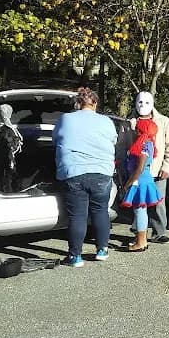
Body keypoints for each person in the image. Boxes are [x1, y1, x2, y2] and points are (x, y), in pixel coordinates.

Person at [54, 88, 117, 267]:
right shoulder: (106, 121)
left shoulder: (65, 119)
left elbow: (56, 140)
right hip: (102, 172)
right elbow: (113, 140)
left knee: (78, 216)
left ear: (78, 104)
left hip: (74, 172)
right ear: (95, 104)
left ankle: (75, 256)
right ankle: (102, 250)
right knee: (100, 211)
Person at [117, 92, 169, 244]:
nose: (142, 106)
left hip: (156, 169)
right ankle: (139, 233)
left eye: (146, 102)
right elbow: (121, 145)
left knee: (158, 202)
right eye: (139, 102)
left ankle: (159, 232)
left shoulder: (163, 121)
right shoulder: (128, 122)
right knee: (138, 203)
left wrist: (167, 167)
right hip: (135, 169)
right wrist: (121, 165)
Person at [121, 118, 163, 252]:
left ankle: (140, 241)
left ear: (141, 130)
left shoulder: (144, 145)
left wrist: (128, 184)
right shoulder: (149, 143)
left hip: (140, 181)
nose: (135, 131)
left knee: (139, 211)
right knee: (141, 210)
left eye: (137, 129)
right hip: (144, 180)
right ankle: (142, 240)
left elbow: (139, 169)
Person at [0, 104, 24, 193]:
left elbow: (7, 145)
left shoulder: (7, 129)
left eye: (2, 112)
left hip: (8, 158)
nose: (1, 114)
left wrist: (10, 160)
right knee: (7, 179)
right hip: (9, 157)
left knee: (7, 180)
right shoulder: (9, 128)